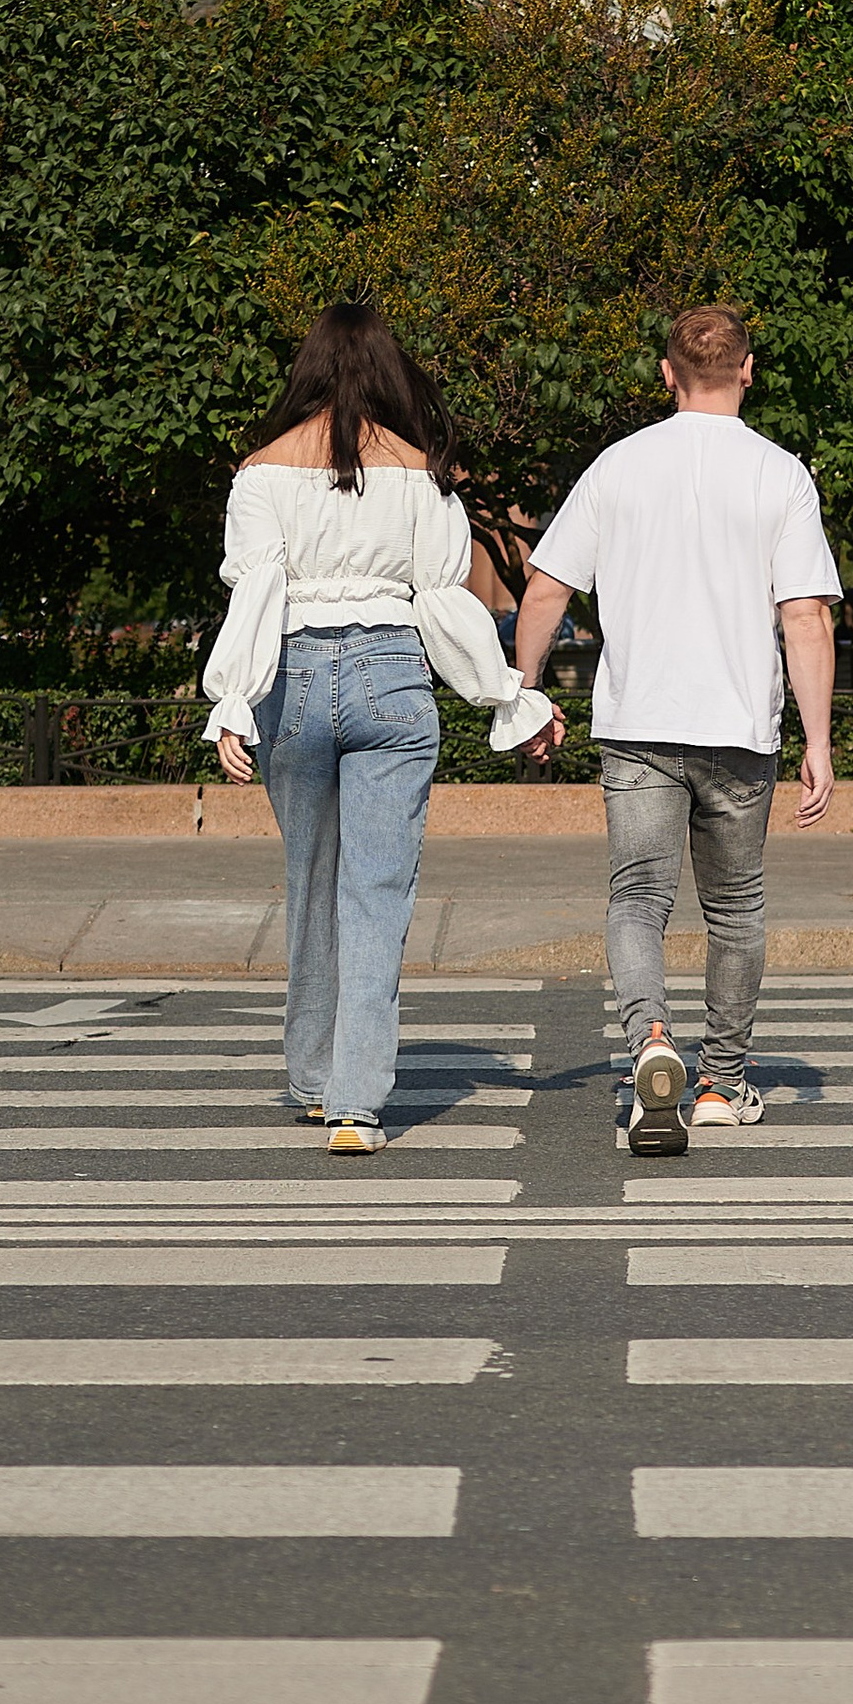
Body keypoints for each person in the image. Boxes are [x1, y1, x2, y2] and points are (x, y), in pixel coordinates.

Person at [205, 303, 560, 1152]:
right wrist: (507, 697)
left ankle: (312, 1074)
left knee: (311, 882)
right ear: (390, 372)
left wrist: (231, 699)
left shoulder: (260, 470)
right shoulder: (421, 471)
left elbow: (257, 593)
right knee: (376, 893)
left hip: (292, 678)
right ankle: (354, 1105)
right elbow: (444, 601)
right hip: (392, 675)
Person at [513, 303, 838, 1156]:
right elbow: (805, 616)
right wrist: (819, 739)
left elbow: (546, 587)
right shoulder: (780, 475)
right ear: (748, 369)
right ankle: (722, 1083)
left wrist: (526, 692)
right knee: (735, 909)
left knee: (637, 900)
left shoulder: (618, 466)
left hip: (640, 722)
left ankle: (650, 1038)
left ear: (666, 374)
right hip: (740, 728)